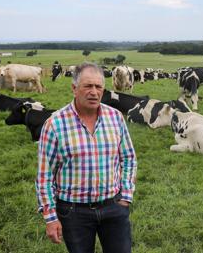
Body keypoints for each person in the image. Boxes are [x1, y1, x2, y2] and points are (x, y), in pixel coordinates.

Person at [36, 63, 137, 253]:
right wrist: (51, 217)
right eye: (87, 86)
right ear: (74, 89)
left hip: (113, 206)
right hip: (74, 212)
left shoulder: (115, 117)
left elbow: (129, 158)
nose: (94, 92)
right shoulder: (54, 124)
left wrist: (126, 196)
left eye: (98, 87)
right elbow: (44, 176)